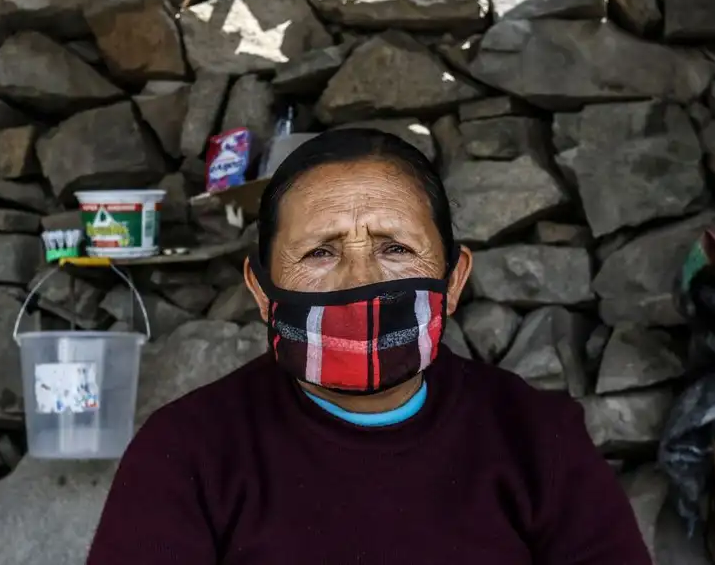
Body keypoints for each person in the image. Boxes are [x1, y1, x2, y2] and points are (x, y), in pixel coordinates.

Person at [86, 129, 652, 565]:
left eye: (395, 249)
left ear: (453, 279)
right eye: (320, 253)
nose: (362, 281)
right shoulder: (188, 452)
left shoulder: (538, 439)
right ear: (261, 290)